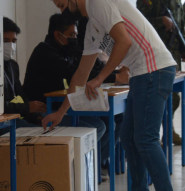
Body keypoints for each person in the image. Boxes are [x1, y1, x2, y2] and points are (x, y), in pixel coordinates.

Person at [43, 0, 183, 191]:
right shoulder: (92, 26)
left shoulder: (100, 1)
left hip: (155, 69)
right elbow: (80, 75)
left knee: (146, 139)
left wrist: (101, 77)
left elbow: (124, 41)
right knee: (129, 139)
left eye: (63, 5)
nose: (63, 12)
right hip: (142, 74)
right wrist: (60, 112)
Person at [23, 14, 126, 180]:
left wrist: (116, 73)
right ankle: (83, 170)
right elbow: (75, 74)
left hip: (61, 107)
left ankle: (93, 166)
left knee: (112, 121)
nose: (75, 39)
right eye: (72, 35)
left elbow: (90, 69)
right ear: (58, 35)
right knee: (98, 127)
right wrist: (115, 77)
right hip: (44, 113)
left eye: (76, 35)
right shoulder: (45, 53)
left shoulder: (66, 51)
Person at [136, 0, 185, 145]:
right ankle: (154, 134)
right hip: (153, 55)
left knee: (173, 97)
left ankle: (169, 131)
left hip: (172, 54)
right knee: (156, 96)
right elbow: (139, 26)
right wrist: (161, 21)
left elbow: (181, 25)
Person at [0, 17, 45, 138]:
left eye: (14, 41)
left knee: (47, 129)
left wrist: (36, 116)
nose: (11, 45)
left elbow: (20, 96)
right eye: (6, 40)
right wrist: (27, 108)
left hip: (15, 118)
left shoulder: (13, 65)